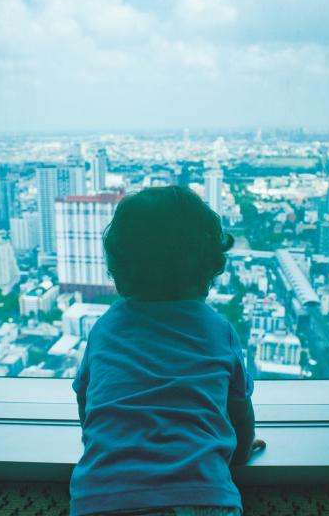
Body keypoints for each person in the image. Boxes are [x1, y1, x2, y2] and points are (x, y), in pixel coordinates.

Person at [70, 185, 265, 516]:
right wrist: (242, 452)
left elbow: (86, 400)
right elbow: (239, 412)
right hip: (203, 496)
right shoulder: (218, 330)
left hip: (102, 497)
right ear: (209, 266)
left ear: (119, 266)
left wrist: (101, 447)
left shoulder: (104, 329)